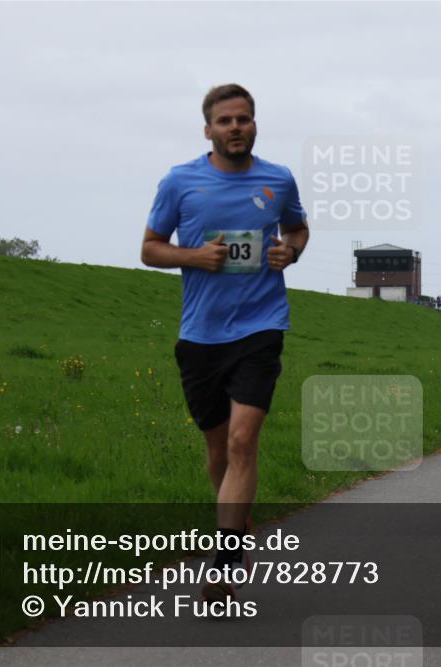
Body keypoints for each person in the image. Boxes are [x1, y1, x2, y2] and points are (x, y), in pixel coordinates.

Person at [140, 83, 310, 601]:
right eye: (226, 121)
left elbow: (297, 230)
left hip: (261, 327)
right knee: (219, 450)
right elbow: (150, 249)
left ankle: (224, 561)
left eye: (244, 119)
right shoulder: (180, 182)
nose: (236, 128)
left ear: (254, 124)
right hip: (200, 335)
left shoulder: (277, 180)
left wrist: (290, 252)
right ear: (208, 129)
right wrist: (194, 257)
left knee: (242, 441)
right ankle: (234, 530)